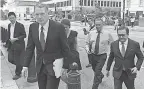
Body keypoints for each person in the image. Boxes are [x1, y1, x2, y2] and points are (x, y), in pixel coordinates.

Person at [21, 3, 69, 89]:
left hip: (54, 67)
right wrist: (25, 66)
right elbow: (30, 48)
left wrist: (65, 67)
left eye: (42, 14)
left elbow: (65, 48)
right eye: (37, 14)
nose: (39, 17)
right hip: (40, 67)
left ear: (48, 13)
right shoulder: (33, 27)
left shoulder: (59, 27)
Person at [85, 19, 113, 89]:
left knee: (97, 72)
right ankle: (101, 75)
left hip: (102, 56)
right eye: (96, 25)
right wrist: (88, 49)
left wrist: (112, 54)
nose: (97, 26)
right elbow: (86, 43)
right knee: (95, 70)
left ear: (102, 24)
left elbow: (113, 44)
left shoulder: (107, 34)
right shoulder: (91, 33)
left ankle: (94, 87)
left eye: (99, 24)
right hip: (93, 55)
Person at [6, 12, 26, 80]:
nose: (11, 19)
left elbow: (24, 35)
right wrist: (7, 43)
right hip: (11, 45)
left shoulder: (20, 25)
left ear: (15, 17)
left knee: (17, 60)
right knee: (10, 59)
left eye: (13, 18)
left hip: (19, 45)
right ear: (8, 18)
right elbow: (9, 35)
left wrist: (16, 39)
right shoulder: (9, 25)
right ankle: (20, 65)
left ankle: (18, 73)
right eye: (10, 18)